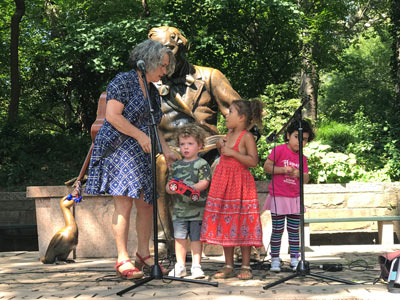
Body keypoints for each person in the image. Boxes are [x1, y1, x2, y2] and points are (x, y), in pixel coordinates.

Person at [84, 39, 178, 280]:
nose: (165, 71)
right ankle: (122, 259)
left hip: (141, 150)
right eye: (163, 66)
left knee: (146, 203)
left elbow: (154, 125)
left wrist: (165, 149)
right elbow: (113, 116)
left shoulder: (153, 91)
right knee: (124, 203)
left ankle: (143, 255)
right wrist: (138, 135)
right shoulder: (123, 81)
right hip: (119, 148)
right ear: (149, 62)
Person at [148, 26, 241, 247]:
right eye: (157, 51)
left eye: (169, 48)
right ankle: (163, 239)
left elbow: (240, 114)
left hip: (208, 150)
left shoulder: (210, 76)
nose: (164, 56)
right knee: (158, 165)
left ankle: (234, 238)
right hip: (169, 151)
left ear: (182, 47)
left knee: (228, 163)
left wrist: (234, 142)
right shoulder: (150, 82)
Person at [200, 99, 264, 280]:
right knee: (225, 221)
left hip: (240, 183)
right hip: (223, 183)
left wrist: (233, 152)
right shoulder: (228, 133)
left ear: (242, 117)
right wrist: (221, 147)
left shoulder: (247, 136)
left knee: (244, 222)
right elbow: (225, 156)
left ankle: (245, 265)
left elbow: (253, 161)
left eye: (231, 112)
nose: (226, 115)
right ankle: (228, 265)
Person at [263, 119, 315, 272]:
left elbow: (305, 178)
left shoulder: (303, 158)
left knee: (294, 230)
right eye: (297, 137)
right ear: (288, 136)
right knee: (277, 229)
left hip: (294, 198)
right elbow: (266, 167)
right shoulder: (279, 150)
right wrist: (282, 170)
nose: (300, 141)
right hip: (279, 196)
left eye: (304, 139)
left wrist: (298, 173)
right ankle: (275, 259)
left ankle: (294, 259)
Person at [166, 124, 211, 279]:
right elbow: (169, 184)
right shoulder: (176, 165)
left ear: (199, 145)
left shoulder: (202, 164)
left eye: (190, 144)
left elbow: (204, 182)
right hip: (179, 210)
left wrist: (191, 187)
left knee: (196, 239)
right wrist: (170, 188)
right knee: (179, 238)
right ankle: (180, 266)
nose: (185, 148)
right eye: (182, 144)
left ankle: (196, 266)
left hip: (197, 210)